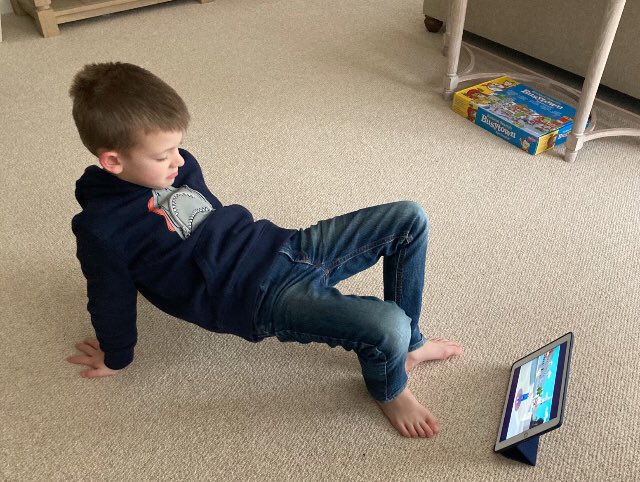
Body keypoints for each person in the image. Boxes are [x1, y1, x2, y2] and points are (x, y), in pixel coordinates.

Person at [67, 62, 463, 439]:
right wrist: (116, 354)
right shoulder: (102, 229)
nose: (178, 160)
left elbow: (213, 222)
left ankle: (412, 346)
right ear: (113, 161)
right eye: (162, 156)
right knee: (386, 324)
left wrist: (264, 245)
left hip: (282, 247)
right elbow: (109, 296)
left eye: (178, 147)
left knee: (409, 219)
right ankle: (390, 389)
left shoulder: (179, 167)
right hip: (255, 297)